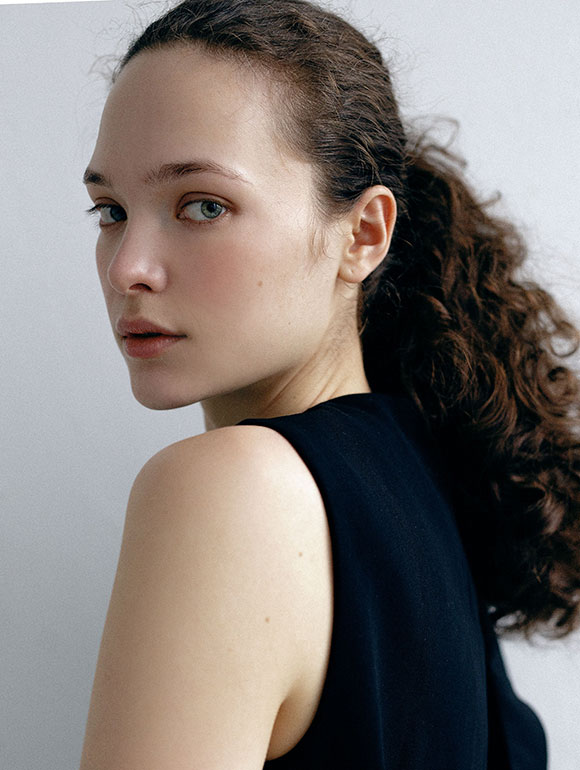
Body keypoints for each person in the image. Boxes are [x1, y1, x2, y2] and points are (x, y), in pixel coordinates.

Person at [78, 1, 580, 768]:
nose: (127, 269)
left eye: (203, 205)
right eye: (111, 210)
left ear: (363, 235)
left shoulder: (228, 487)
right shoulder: (423, 469)